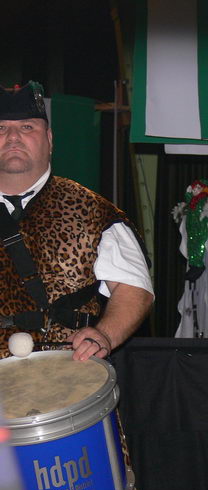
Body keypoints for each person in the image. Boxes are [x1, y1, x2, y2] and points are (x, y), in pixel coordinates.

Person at [0, 82, 153, 361]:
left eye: (27, 127)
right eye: (1, 128)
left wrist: (105, 334)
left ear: (49, 138)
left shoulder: (93, 212)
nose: (12, 137)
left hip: (67, 377)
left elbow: (134, 288)